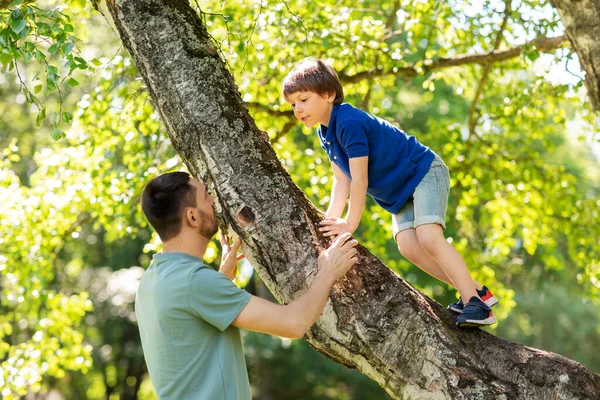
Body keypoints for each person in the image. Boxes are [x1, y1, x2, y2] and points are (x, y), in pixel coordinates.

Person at [281, 58, 498, 328]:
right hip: (400, 192)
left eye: (303, 100)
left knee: (429, 236)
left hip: (422, 172)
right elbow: (341, 181)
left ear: (329, 94)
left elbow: (360, 179)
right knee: (409, 246)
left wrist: (349, 224)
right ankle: (479, 292)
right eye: (292, 105)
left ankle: (476, 306)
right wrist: (328, 225)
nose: (298, 109)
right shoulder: (325, 133)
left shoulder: (348, 122)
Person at [135, 171, 358, 400]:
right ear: (192, 217)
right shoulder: (195, 282)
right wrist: (328, 270)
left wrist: (221, 279)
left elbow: (190, 334)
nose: (214, 200)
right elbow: (294, 323)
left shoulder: (150, 281)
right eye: (206, 196)